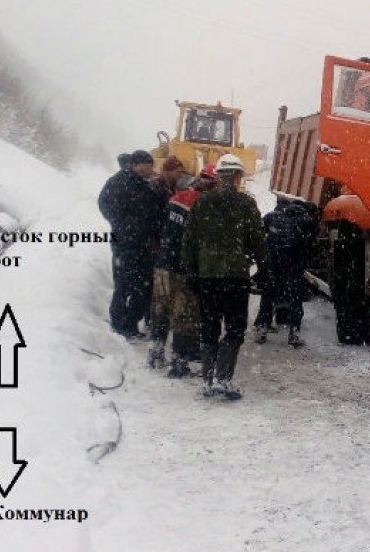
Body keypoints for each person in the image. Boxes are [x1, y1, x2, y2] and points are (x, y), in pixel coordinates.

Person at [182, 154, 267, 399]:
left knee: (209, 326)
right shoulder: (246, 204)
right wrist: (264, 269)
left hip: (207, 277)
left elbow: (189, 242)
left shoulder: (202, 202)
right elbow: (258, 242)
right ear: (239, 176)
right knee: (234, 328)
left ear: (218, 176)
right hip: (234, 278)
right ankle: (224, 379)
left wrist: (192, 272)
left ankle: (207, 381)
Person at [147, 163, 218, 377]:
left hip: (163, 263)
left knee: (160, 310)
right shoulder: (204, 206)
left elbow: (163, 227)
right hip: (184, 267)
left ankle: (156, 352)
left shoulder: (176, 197)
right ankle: (179, 364)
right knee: (184, 316)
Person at [98, 149, 165, 338]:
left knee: (142, 286)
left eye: (151, 166)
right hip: (125, 243)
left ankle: (131, 323)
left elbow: (154, 209)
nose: (149, 169)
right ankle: (120, 325)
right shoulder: (120, 182)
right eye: (146, 166)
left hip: (144, 244)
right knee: (124, 284)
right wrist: (124, 225)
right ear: (136, 165)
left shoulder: (146, 184)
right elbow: (104, 204)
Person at [252, 197, 318, 347]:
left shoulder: (272, 216)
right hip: (294, 263)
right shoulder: (307, 220)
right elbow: (312, 244)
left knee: (268, 293)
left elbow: (259, 233)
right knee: (295, 297)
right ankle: (294, 333)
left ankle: (262, 328)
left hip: (273, 260)